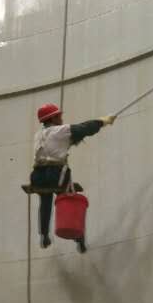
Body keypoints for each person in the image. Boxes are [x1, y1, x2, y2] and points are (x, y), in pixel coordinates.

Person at [30, 103, 115, 251]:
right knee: (69, 199)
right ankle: (79, 238)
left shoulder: (38, 135)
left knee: (45, 200)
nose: (61, 118)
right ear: (52, 118)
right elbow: (84, 128)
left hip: (37, 176)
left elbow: (60, 143)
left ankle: (44, 235)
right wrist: (103, 121)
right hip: (55, 174)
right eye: (59, 116)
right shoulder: (61, 130)